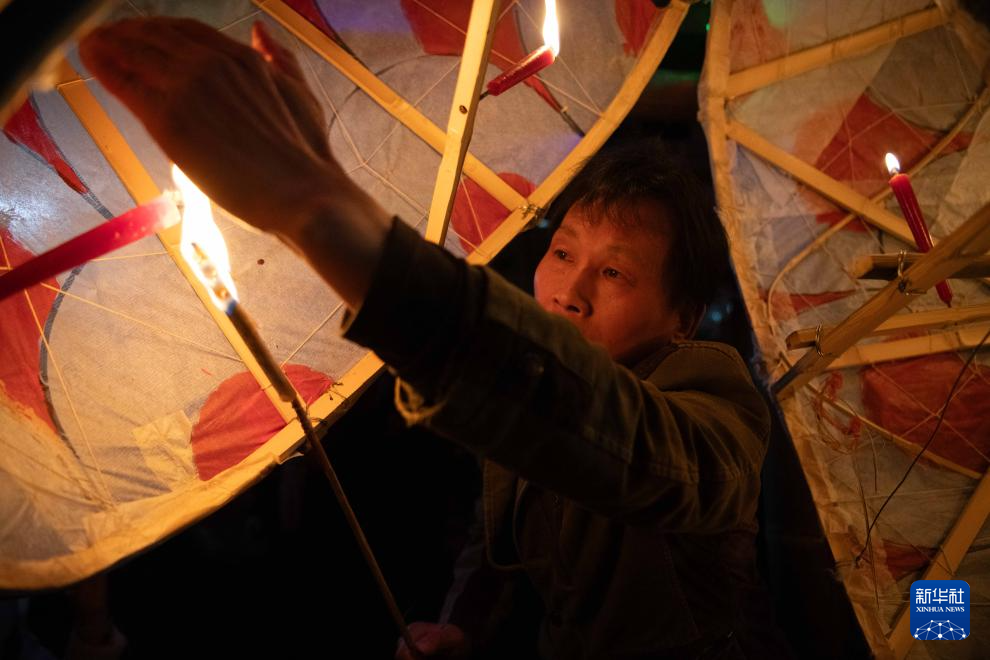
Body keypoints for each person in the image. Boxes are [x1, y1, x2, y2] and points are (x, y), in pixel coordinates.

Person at [80, 17, 785, 659]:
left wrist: (318, 205)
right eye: (563, 252)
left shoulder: (720, 416)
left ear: (684, 318)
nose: (569, 291)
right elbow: (495, 544)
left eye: (615, 272)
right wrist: (461, 627)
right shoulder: (528, 407)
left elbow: (618, 440)